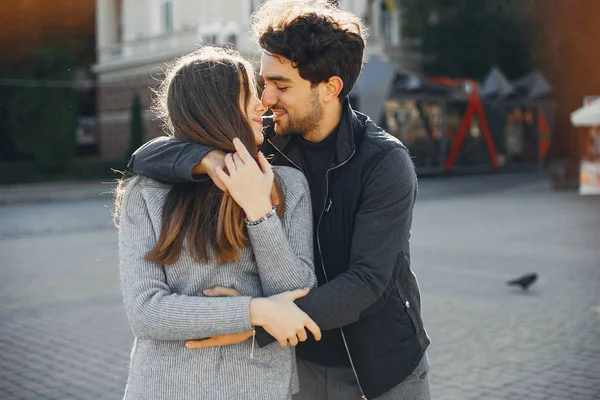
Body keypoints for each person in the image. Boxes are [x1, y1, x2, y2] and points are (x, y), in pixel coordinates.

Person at [128, 1, 431, 398]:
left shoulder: (384, 162)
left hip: (379, 365)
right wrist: (210, 158)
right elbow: (145, 157)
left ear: (330, 88)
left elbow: (365, 282)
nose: (266, 98)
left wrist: (249, 320)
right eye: (263, 81)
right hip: (300, 362)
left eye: (281, 86)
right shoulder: (265, 141)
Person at [115, 46, 320, 400]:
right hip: (165, 387)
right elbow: (146, 311)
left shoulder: (287, 185)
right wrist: (255, 310)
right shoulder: (148, 193)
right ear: (215, 109)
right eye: (248, 96)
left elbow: (300, 291)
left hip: (260, 387)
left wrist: (259, 210)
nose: (262, 105)